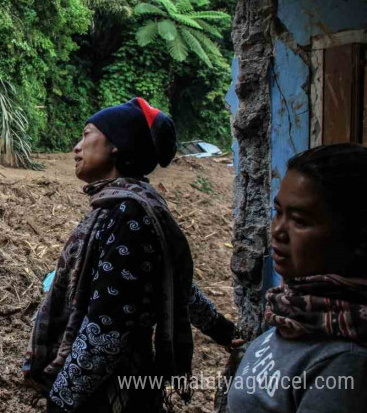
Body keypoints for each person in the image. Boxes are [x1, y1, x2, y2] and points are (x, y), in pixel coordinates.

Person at [24, 98, 237, 412]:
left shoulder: (129, 215)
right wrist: (222, 330)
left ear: (116, 145)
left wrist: (63, 399)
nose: (76, 147)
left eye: (86, 135)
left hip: (109, 389)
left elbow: (107, 326)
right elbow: (171, 284)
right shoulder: (121, 207)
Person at [227, 144, 367, 412]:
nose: (277, 231)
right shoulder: (302, 310)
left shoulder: (351, 362)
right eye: (279, 212)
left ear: (362, 239)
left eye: (299, 220)